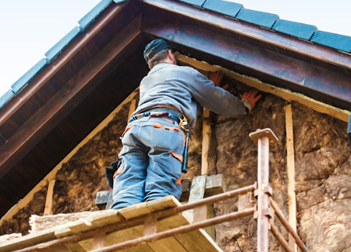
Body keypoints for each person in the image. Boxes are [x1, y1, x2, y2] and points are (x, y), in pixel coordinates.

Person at [110, 39, 261, 209]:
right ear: (169, 54)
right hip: (164, 128)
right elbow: (215, 98)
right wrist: (244, 106)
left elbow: (170, 95)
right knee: (160, 187)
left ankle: (121, 225)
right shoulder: (185, 73)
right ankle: (155, 229)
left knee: (128, 185)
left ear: (150, 66)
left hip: (134, 130)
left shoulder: (146, 82)